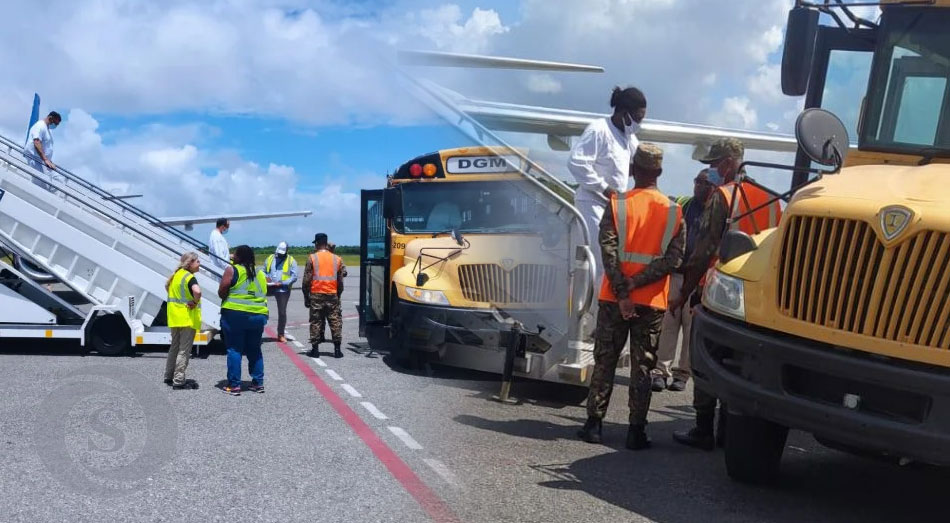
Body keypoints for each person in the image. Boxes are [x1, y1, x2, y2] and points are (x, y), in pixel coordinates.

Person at [671, 137, 782, 450]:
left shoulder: (723, 196)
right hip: (755, 294)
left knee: (707, 360)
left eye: (714, 163)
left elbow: (704, 249)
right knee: (739, 363)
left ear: (729, 162)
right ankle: (727, 430)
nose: (711, 170)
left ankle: (703, 428)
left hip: (718, 289)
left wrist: (684, 294)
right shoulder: (771, 198)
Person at [577, 144, 685, 450]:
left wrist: (624, 291)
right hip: (651, 303)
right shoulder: (675, 212)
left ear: (633, 170)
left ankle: (594, 425)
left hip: (614, 299)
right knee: (643, 367)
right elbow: (674, 261)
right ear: (660, 172)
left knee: (605, 361)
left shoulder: (617, 205)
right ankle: (636, 431)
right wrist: (638, 285)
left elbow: (608, 252)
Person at [567, 86, 647, 301]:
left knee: (613, 260)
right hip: (592, 201)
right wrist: (603, 187)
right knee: (601, 260)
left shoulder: (628, 137)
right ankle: (590, 313)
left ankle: (598, 311)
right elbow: (576, 163)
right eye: (638, 118)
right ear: (624, 113)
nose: (639, 124)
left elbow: (632, 164)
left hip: (615, 205)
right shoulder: (598, 130)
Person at [651, 169, 714, 393]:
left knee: (690, 330)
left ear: (713, 186)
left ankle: (682, 374)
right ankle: (660, 371)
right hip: (676, 275)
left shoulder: (715, 211)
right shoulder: (683, 204)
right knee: (668, 325)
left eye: (704, 183)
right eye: (697, 181)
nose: (699, 186)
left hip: (698, 280)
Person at [218, 245, 268, 396]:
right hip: (258, 315)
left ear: (238, 257)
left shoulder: (233, 270)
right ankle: (257, 383)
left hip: (235, 315)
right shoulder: (259, 273)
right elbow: (263, 292)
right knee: (255, 349)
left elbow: (222, 290)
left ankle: (234, 385)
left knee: (234, 349)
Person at [302, 233, 346, 358]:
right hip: (332, 294)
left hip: (316, 294)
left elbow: (306, 280)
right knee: (335, 320)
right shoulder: (337, 259)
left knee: (316, 321)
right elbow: (340, 281)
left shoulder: (312, 258)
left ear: (316, 243)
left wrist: (306, 296)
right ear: (326, 244)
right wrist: (338, 294)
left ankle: (315, 350)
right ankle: (337, 350)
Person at [164, 252, 202, 390]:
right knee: (184, 350)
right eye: (197, 261)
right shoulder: (189, 277)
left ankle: (168, 375)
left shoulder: (176, 275)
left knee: (174, 347)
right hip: (186, 317)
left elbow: (167, 289)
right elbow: (197, 292)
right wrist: (194, 302)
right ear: (189, 263)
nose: (199, 264)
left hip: (175, 317)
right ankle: (179, 380)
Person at [265, 241, 298, 343]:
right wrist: (266, 278)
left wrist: (283, 283)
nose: (279, 255)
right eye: (278, 253)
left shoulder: (291, 261)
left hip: (282, 289)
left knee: (282, 312)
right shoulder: (270, 258)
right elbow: (264, 271)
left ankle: (281, 334)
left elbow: (294, 276)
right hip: (269, 286)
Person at [25, 111, 62, 190]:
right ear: (50, 118)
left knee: (58, 180)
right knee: (41, 184)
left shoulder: (48, 129)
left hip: (43, 161)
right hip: (35, 159)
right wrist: (45, 159)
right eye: (55, 123)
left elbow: (46, 147)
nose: (55, 126)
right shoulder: (40, 126)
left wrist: (49, 161)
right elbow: (37, 142)